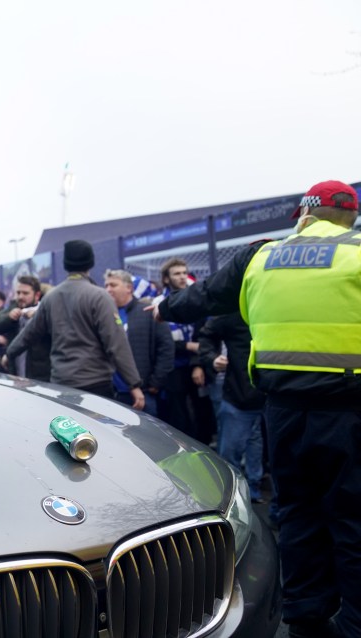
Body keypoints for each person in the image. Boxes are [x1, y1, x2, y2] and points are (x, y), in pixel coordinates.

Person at [151, 179, 361, 638]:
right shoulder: (357, 253)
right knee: (351, 516)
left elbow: (201, 298)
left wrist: (164, 309)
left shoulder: (261, 255)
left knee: (296, 511)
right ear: (350, 217)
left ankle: (305, 613)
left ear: (305, 215)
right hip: (350, 412)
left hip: (283, 413)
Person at [5, 240, 144, 408]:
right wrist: (134, 384)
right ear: (90, 263)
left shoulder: (51, 297)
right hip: (95, 384)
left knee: (70, 432)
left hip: (62, 384)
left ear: (66, 264)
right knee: (96, 433)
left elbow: (28, 335)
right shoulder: (99, 296)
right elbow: (116, 342)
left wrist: (9, 353)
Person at [196, 312, 266, 503]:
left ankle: (253, 488)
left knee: (255, 441)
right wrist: (211, 358)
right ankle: (233, 497)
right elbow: (207, 334)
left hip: (270, 393)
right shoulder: (234, 309)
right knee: (232, 448)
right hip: (239, 393)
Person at [157, 257, 216, 443]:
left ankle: (204, 446)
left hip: (196, 364)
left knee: (202, 409)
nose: (182, 277)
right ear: (166, 278)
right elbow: (163, 341)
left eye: (184, 273)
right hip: (173, 366)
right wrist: (187, 346)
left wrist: (198, 362)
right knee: (178, 414)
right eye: (177, 274)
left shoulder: (195, 299)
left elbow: (205, 333)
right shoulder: (159, 303)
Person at [104, 268, 174, 416]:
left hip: (144, 392)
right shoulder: (104, 315)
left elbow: (166, 348)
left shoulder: (146, 312)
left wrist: (155, 382)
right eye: (106, 286)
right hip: (113, 394)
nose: (108, 289)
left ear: (129, 287)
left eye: (113, 285)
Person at [0, 276, 51, 379]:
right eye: (18, 293)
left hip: (38, 376)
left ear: (37, 295)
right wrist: (9, 317)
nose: (20, 297)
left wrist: (38, 317)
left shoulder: (45, 310)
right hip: (15, 374)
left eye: (25, 293)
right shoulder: (13, 309)